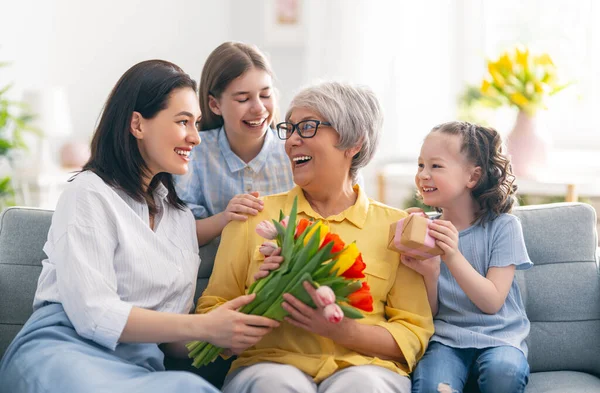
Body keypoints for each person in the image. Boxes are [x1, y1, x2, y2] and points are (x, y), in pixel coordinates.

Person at [0, 60, 279, 393]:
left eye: (197, 123)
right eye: (182, 122)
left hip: (137, 366)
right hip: (64, 350)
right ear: (137, 124)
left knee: (193, 388)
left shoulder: (179, 218)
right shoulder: (89, 194)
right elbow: (94, 315)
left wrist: (227, 333)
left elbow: (173, 340)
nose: (195, 137)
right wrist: (203, 325)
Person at [196, 81, 434, 393]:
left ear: (354, 142)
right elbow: (210, 314)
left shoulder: (397, 226)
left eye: (307, 127)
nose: (291, 140)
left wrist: (341, 330)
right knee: (274, 383)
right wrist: (261, 299)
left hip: (367, 369)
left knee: (362, 386)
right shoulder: (252, 215)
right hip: (270, 366)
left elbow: (413, 334)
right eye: (289, 128)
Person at [401, 121, 532, 393]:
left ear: (472, 177)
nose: (423, 174)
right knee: (430, 386)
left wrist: (451, 255)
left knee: (504, 374)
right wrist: (430, 273)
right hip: (445, 341)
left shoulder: (504, 227)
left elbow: (492, 301)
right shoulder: (426, 229)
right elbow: (431, 313)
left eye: (435, 166)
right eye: (420, 165)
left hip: (500, 339)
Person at [175, 42, 294, 246]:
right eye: (243, 99)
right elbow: (178, 233)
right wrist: (224, 218)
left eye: (265, 95)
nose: (258, 108)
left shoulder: (292, 151)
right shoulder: (194, 154)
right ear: (215, 104)